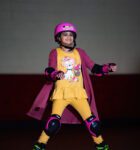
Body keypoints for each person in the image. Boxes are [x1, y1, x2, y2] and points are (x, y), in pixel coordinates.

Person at [27, 22, 117, 150]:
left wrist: (108, 68)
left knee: (93, 123)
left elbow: (94, 68)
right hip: (61, 94)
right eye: (65, 35)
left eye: (71, 35)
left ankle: (101, 144)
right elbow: (49, 69)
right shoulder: (55, 52)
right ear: (58, 38)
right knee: (53, 123)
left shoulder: (80, 52)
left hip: (78, 94)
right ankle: (40, 144)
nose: (68, 37)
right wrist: (55, 74)